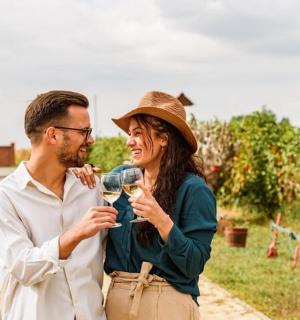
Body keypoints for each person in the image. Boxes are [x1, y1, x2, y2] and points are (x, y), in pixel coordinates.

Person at [75, 91, 217, 320]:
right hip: (117, 302)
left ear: (164, 139)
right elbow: (85, 196)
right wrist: (80, 173)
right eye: (130, 134)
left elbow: (194, 264)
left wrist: (161, 219)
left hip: (167, 305)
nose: (129, 141)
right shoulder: (122, 177)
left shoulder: (194, 190)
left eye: (138, 134)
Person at [0, 90, 117, 320]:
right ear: (52, 135)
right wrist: (74, 235)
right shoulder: (7, 197)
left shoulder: (91, 187)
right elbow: (23, 266)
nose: (91, 140)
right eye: (84, 131)